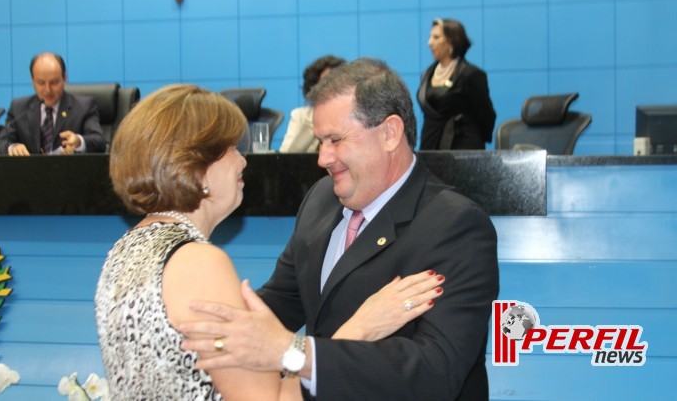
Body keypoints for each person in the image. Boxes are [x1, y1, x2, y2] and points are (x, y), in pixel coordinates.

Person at [95, 84, 444, 400]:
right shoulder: (197, 262)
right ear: (197, 167)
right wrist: (360, 328)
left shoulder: (124, 250)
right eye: (231, 148)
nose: (242, 160)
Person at [178, 59, 500, 400]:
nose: (322, 158)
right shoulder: (321, 198)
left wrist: (296, 352)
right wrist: (201, 331)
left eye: (335, 140)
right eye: (320, 141)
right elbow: (282, 299)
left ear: (390, 133)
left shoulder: (455, 226)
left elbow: (436, 372)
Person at [0, 52, 106, 156]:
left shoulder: (84, 106)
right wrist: (12, 147)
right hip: (28, 173)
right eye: (41, 83)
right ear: (32, 80)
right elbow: (2, 142)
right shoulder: (19, 108)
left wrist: (78, 141)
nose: (47, 90)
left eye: (54, 82)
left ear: (64, 78)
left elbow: (99, 142)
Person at [417, 18, 496, 150]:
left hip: (462, 150)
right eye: (430, 37)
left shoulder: (471, 74)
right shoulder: (426, 74)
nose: (429, 42)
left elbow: (486, 115)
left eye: (436, 37)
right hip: (429, 147)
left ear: (450, 42)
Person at [279, 55, 346, 153]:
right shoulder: (301, 116)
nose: (334, 86)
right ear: (314, 87)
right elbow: (286, 156)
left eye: (339, 80)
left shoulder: (351, 116)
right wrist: (315, 122)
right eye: (327, 81)